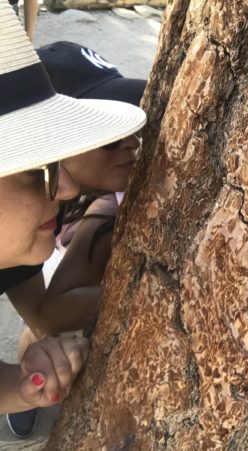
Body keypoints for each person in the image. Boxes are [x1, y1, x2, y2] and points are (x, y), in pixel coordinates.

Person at [0, 0, 146, 429]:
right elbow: (46, 316)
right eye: (36, 169)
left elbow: (42, 314)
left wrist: (21, 386)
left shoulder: (18, 243)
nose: (65, 189)